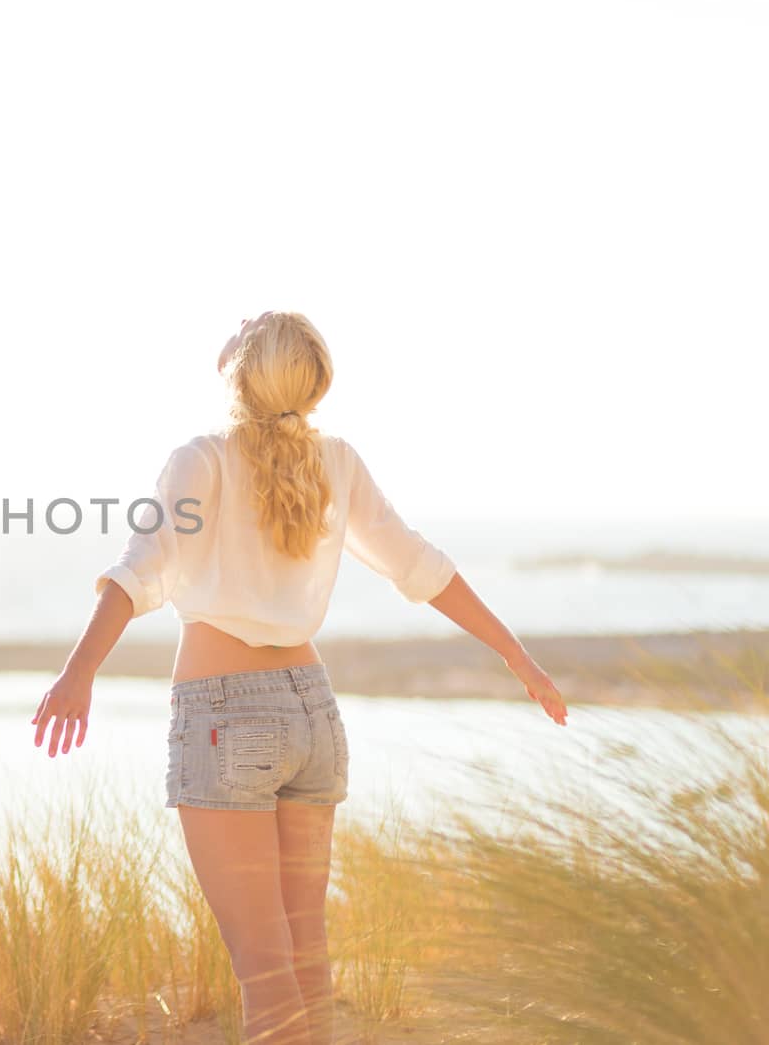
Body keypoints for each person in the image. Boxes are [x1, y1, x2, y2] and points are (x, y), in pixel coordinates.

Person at [29, 311, 569, 1045]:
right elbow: (422, 567)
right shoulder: (337, 461)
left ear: (240, 368)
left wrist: (77, 672)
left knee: (265, 971)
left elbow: (138, 572)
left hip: (226, 720)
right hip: (313, 714)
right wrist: (518, 656)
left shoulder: (202, 458)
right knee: (304, 958)